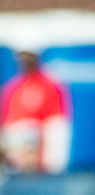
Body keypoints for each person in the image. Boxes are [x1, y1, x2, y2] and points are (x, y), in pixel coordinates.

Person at [0, 45, 71, 173]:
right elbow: (8, 124)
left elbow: (58, 123)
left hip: (45, 148)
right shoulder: (12, 88)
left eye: (29, 56)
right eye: (22, 57)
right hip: (19, 148)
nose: (26, 61)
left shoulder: (52, 85)